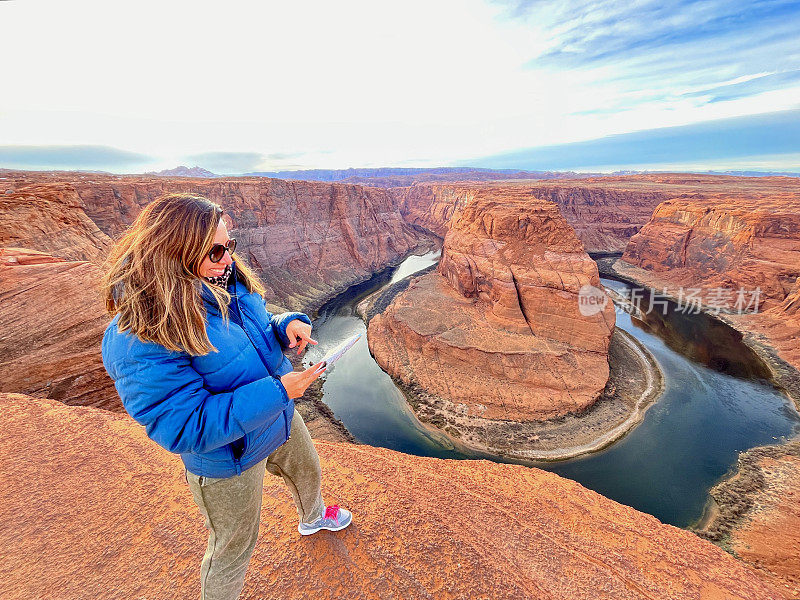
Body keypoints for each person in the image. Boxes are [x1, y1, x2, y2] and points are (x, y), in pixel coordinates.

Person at [100, 192, 352, 600]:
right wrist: (279, 390)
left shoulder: (224, 282)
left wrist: (287, 325)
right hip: (226, 456)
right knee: (234, 546)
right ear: (175, 253)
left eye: (229, 245)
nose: (229, 259)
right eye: (216, 251)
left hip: (279, 415)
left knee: (308, 471)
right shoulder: (140, 335)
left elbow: (251, 333)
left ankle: (313, 516)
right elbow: (183, 427)